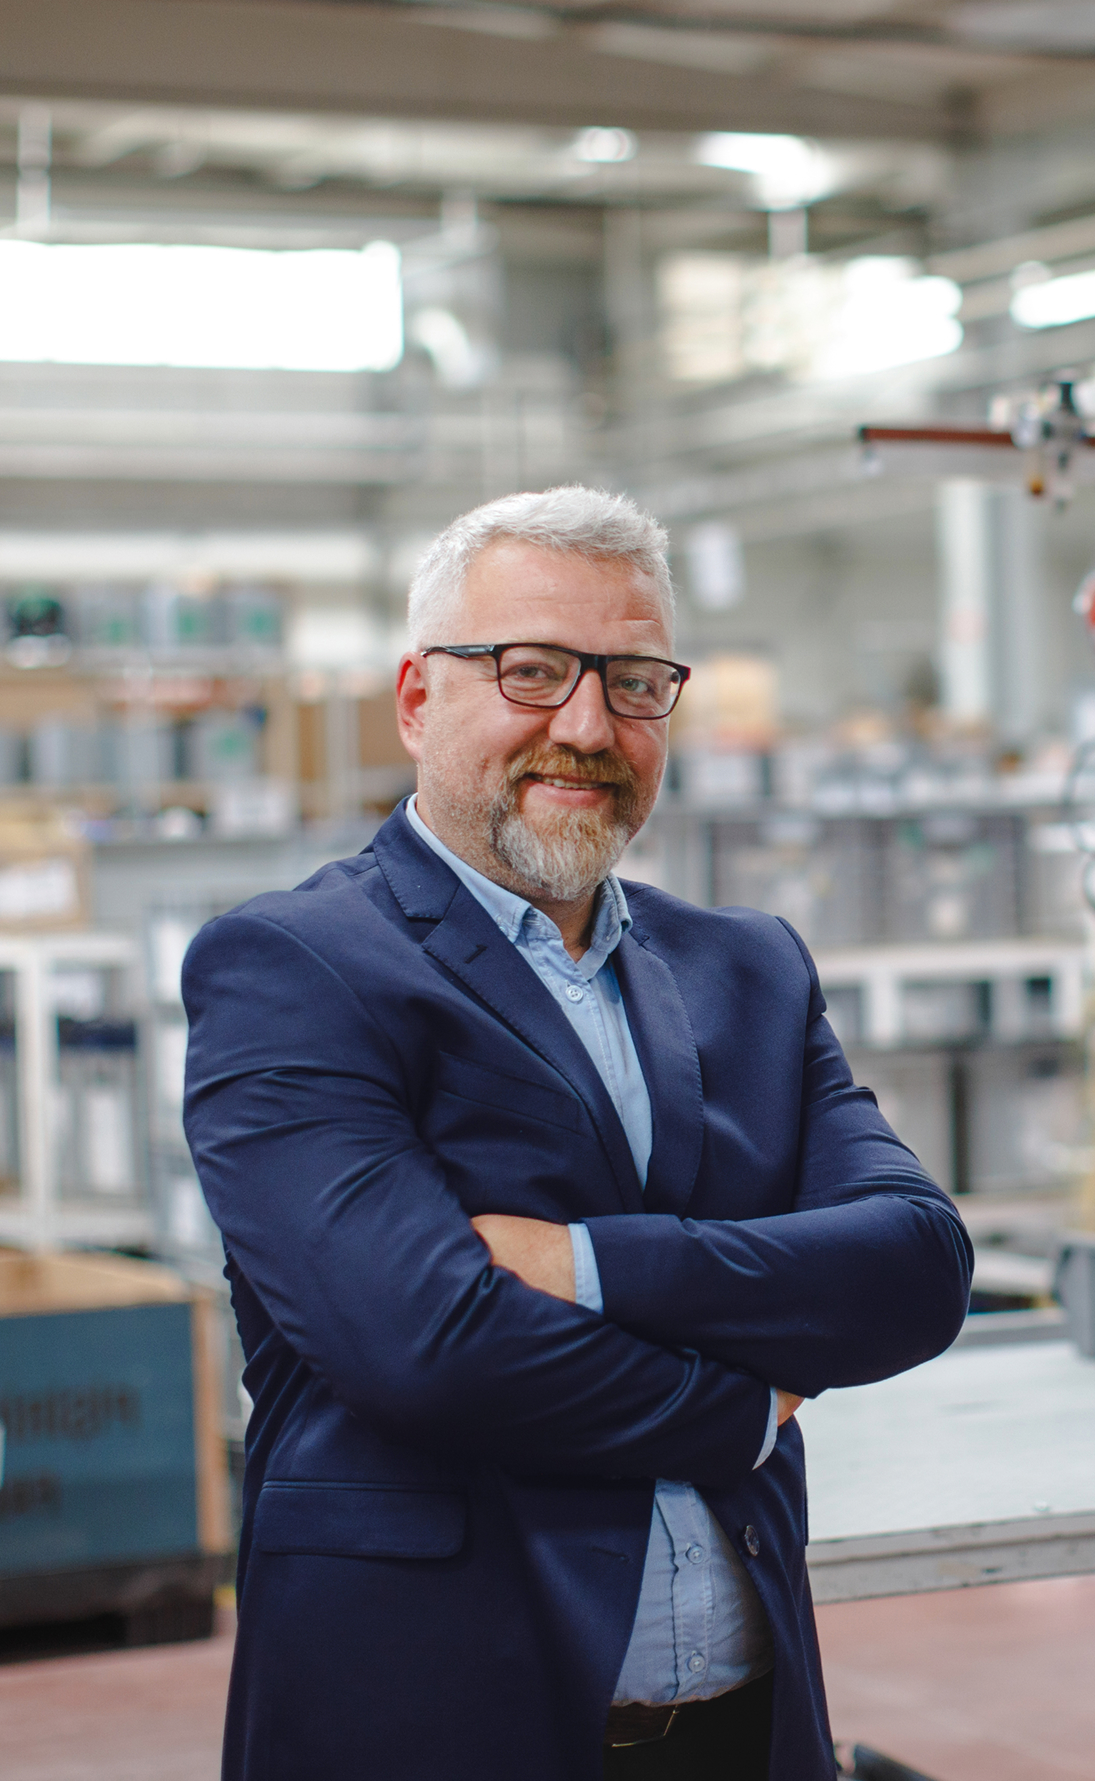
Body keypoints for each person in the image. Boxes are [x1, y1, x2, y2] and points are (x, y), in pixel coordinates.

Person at [183, 485, 972, 1781]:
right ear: (418, 697)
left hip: (737, 1715)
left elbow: (913, 1264)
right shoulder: (295, 970)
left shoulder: (750, 972)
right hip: (436, 1719)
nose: (588, 724)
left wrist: (588, 1265)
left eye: (636, 680)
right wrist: (738, 1404)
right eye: (533, 671)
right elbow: (424, 1338)